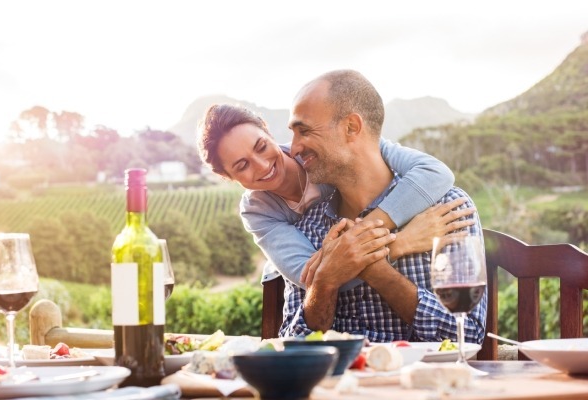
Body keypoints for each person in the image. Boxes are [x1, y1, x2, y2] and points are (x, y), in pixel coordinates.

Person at [280, 69, 486, 343]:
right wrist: (324, 282)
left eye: (304, 131)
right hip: (341, 384)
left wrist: (375, 268)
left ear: (352, 127)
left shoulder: (447, 208)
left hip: (423, 383)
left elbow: (468, 336)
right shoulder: (309, 226)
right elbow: (291, 343)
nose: (293, 149)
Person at [197, 104, 474, 293]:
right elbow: (316, 278)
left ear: (269, 133)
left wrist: (369, 229)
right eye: (242, 166)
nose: (261, 165)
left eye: (261, 146)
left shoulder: (326, 152)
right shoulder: (258, 210)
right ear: (229, 178)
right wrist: (399, 243)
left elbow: (435, 173)